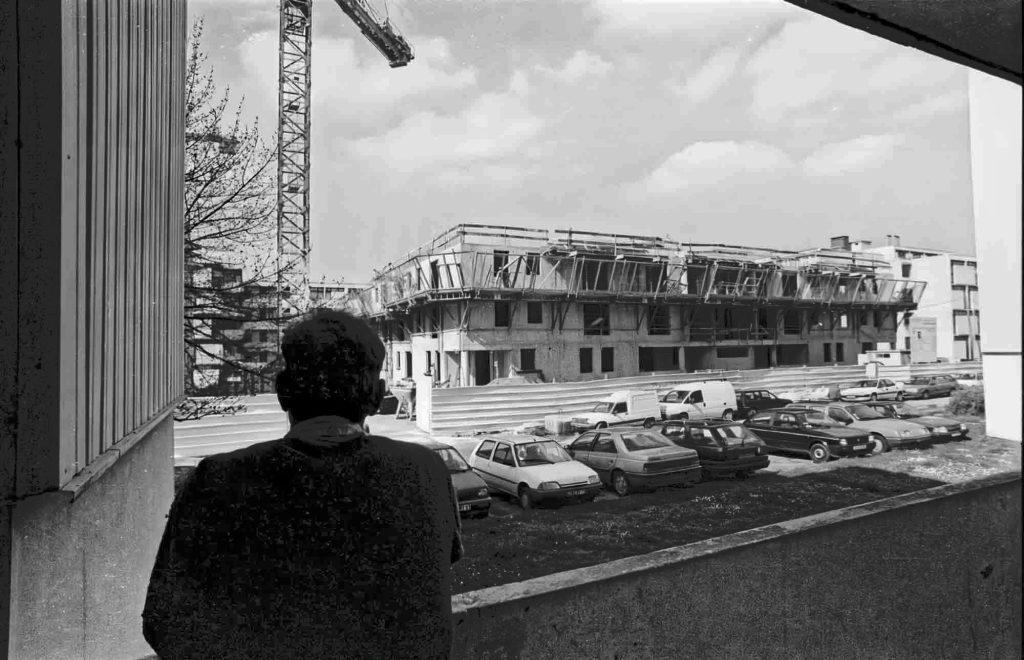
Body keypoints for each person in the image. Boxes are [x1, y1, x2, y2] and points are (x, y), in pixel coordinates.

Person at [142, 309, 463, 660]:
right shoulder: (426, 471)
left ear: (283, 392)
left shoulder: (217, 480)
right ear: (377, 396)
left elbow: (164, 622)